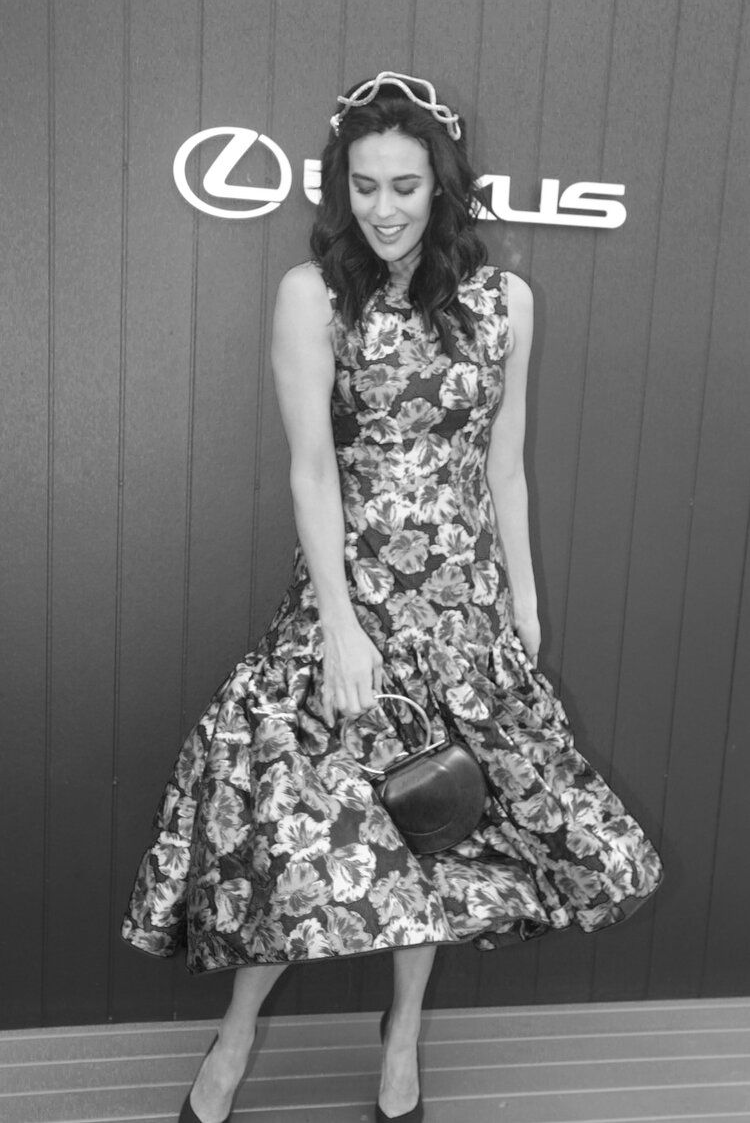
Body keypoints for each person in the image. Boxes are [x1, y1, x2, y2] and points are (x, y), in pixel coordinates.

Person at [121, 72, 663, 1123]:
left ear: (443, 185)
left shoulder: (507, 303)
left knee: (438, 829)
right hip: (354, 600)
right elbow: (311, 472)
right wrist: (336, 623)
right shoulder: (310, 295)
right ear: (340, 187)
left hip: (462, 611)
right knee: (292, 826)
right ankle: (233, 1042)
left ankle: (403, 1034)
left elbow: (503, 469)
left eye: (405, 185)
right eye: (364, 186)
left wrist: (526, 607)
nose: (384, 208)